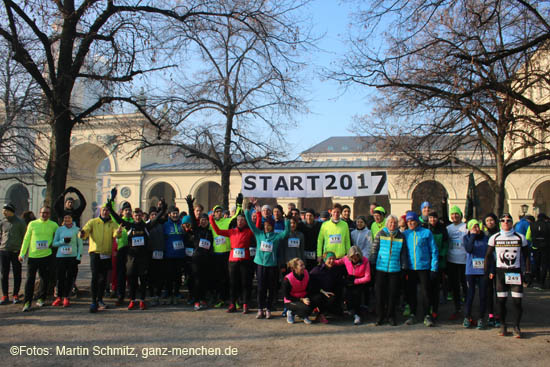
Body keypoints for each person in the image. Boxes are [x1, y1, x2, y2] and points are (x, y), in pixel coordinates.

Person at [107, 189, 166, 311]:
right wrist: (110, 207)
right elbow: (117, 219)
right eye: (136, 215)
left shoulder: (146, 226)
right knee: (132, 279)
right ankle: (132, 300)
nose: (138, 217)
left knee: (143, 280)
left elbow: (158, 217)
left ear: (141, 216)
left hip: (143, 258)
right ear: (133, 216)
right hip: (131, 257)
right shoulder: (129, 226)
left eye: (139, 215)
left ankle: (142, 300)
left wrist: (163, 207)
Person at [485, 213, 530, 338]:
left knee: (517, 301)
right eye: (503, 220)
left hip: (515, 272)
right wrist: (486, 271)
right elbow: (488, 255)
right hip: (501, 273)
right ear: (500, 223)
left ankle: (516, 327)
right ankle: (503, 325)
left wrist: (528, 272)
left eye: (509, 220)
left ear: (512, 222)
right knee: (501, 301)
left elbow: (526, 256)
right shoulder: (494, 237)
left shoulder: (520, 237)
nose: (506, 222)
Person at [245, 207, 289, 319]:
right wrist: (247, 211)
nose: (266, 227)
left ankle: (268, 308)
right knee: (261, 288)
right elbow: (250, 224)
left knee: (271, 288)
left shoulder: (276, 237)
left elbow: (286, 232)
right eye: (265, 226)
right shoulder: (259, 234)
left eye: (269, 225)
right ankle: (260, 309)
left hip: (272, 266)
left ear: (272, 227)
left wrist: (287, 221)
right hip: (260, 265)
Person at [210, 209, 254, 314]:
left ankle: (245, 304)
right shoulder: (231, 231)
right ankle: (232, 304)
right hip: (233, 261)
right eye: (238, 220)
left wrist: (256, 214)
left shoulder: (249, 231)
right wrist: (211, 219)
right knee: (233, 283)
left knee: (245, 283)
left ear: (245, 222)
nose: (240, 221)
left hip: (245, 260)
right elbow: (218, 231)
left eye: (242, 220)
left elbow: (255, 226)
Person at [80, 203, 121, 312]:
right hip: (95, 253)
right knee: (95, 277)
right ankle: (93, 301)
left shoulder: (112, 223)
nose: (105, 212)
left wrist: (119, 232)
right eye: (103, 210)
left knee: (103, 279)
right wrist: (82, 233)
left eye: (107, 210)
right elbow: (85, 232)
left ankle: (100, 299)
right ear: (100, 211)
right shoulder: (93, 222)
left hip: (106, 253)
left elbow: (116, 234)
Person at [18, 206, 58, 312]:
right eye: (43, 212)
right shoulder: (32, 224)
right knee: (29, 280)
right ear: (39, 213)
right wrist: (22, 254)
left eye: (47, 213)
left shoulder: (53, 225)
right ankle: (27, 301)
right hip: (33, 256)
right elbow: (26, 239)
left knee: (45, 279)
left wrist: (53, 244)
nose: (44, 214)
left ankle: (41, 298)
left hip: (46, 256)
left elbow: (58, 236)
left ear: (49, 214)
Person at [403, 211, 438, 327]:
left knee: (425, 292)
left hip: (424, 267)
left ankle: (427, 315)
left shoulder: (426, 233)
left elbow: (434, 250)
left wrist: (434, 267)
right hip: (411, 268)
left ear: (417, 221)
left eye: (412, 221)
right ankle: (413, 314)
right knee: (411, 292)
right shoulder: (405, 234)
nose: (410, 223)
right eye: (408, 221)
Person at [371, 215, 407, 326]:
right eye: (390, 222)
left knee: (393, 294)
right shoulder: (380, 234)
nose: (392, 225)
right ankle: (380, 316)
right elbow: (374, 249)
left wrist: (404, 267)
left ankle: (391, 316)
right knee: (380, 294)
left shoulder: (401, 236)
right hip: (381, 268)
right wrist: (372, 264)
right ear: (387, 224)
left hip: (395, 269)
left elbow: (403, 253)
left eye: (394, 223)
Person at [210, 194, 243, 308]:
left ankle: (234, 300)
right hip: (217, 255)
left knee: (232, 278)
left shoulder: (227, 221)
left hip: (228, 253)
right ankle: (221, 299)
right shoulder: (211, 224)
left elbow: (237, 216)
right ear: (213, 213)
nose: (219, 213)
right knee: (220, 278)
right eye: (217, 211)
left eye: (220, 211)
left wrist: (239, 204)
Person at [186, 195, 214, 311]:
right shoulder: (197, 230)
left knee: (204, 280)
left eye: (205, 220)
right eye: (201, 220)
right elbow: (192, 219)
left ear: (208, 221)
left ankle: (203, 299)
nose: (203, 221)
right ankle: (196, 301)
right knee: (197, 280)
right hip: (196, 259)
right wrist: (190, 205)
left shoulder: (210, 232)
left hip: (206, 259)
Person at [51, 212, 83, 307]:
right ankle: (59, 297)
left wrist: (78, 257)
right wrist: (63, 241)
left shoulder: (77, 230)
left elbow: (80, 245)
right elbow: (54, 244)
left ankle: (66, 297)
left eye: (69, 218)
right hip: (61, 257)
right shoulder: (59, 230)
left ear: (72, 219)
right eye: (65, 218)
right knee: (60, 278)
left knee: (70, 278)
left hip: (72, 257)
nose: (67, 220)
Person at [334, 245, 371, 325]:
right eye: (352, 257)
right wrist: (329, 260)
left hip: (360, 281)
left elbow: (367, 277)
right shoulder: (346, 259)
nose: (354, 259)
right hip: (350, 279)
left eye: (356, 257)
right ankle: (350, 310)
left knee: (357, 296)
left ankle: (358, 315)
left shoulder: (365, 261)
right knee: (347, 294)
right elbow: (338, 262)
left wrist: (355, 281)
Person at [463, 219, 490, 329]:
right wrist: (472, 236)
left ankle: (481, 318)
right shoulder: (466, 238)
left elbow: (490, 255)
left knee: (483, 295)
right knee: (470, 294)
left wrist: (491, 270)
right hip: (471, 270)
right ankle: (467, 316)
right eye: (473, 227)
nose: (476, 229)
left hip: (483, 270)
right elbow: (469, 249)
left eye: (477, 226)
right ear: (469, 228)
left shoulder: (486, 238)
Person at [0, 203, 26, 305]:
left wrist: (23, 252)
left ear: (11, 211)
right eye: (3, 210)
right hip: (4, 250)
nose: (3, 212)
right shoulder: (3, 222)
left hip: (16, 251)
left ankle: (15, 295)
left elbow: (25, 236)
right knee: (4, 274)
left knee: (17, 273)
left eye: (5, 210)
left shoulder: (20, 222)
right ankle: (5, 295)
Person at [446, 205, 468, 320]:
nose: (454, 216)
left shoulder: (465, 227)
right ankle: (457, 307)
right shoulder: (448, 228)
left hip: (464, 260)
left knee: (465, 284)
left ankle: (468, 309)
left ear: (460, 215)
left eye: (456, 214)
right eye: (452, 214)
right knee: (454, 285)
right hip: (451, 260)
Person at [309, 252, 343, 323]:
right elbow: (310, 284)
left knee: (335, 305)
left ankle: (324, 311)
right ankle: (320, 314)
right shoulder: (317, 270)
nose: (331, 261)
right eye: (329, 259)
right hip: (317, 293)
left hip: (329, 293)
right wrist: (321, 291)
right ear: (324, 259)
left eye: (333, 259)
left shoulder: (335, 270)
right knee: (318, 298)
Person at [162, 206, 186, 305]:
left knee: (178, 275)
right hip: (169, 254)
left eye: (176, 213)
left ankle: (176, 292)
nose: (175, 215)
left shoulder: (182, 224)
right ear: (169, 215)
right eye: (173, 213)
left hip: (180, 254)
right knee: (168, 275)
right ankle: (168, 291)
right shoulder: (165, 225)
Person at [427, 211, 449, 320]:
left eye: (434, 218)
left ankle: (435, 309)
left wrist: (441, 255)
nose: (432, 220)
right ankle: (427, 309)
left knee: (436, 287)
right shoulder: (426, 229)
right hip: (427, 262)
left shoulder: (442, 229)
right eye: (430, 218)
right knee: (427, 288)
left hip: (439, 261)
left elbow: (446, 244)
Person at [283, 258, 313, 325]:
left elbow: (308, 288)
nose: (304, 267)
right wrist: (301, 300)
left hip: (303, 297)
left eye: (303, 265)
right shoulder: (287, 279)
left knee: (316, 301)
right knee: (306, 309)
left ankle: (303, 313)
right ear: (294, 268)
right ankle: (291, 312)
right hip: (291, 300)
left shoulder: (306, 273)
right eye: (301, 265)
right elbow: (287, 296)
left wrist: (307, 298)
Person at [114, 202, 133, 306]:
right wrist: (112, 200)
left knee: (131, 273)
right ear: (122, 212)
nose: (128, 212)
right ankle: (120, 295)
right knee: (121, 274)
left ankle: (131, 295)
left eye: (129, 210)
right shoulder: (119, 222)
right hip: (121, 249)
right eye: (126, 210)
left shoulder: (134, 221)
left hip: (131, 250)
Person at [484, 213, 501, 327]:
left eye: (491, 220)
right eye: (487, 220)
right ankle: (490, 314)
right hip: (488, 266)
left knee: (499, 292)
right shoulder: (484, 235)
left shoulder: (500, 234)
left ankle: (499, 315)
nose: (490, 222)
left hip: (499, 266)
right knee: (489, 291)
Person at [147, 208, 166, 306]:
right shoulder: (147, 226)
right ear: (149, 216)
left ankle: (158, 294)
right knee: (151, 276)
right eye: (152, 214)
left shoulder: (161, 225)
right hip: (151, 254)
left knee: (160, 276)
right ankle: (151, 295)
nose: (154, 216)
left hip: (161, 253)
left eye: (155, 214)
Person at [529, 213, 550, 289]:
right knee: (544, 265)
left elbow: (528, 237)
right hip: (546, 247)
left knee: (536, 264)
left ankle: (537, 281)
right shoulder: (548, 225)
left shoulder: (532, 225)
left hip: (535, 247)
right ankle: (542, 282)